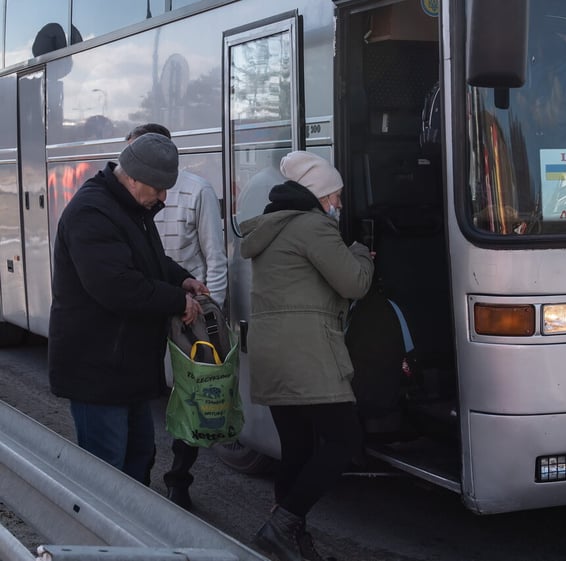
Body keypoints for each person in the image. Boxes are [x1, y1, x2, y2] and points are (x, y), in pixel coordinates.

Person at [48, 133, 207, 485]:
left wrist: (182, 279)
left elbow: (147, 261)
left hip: (125, 367)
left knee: (139, 458)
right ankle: (104, 539)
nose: (163, 197)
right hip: (98, 370)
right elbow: (117, 286)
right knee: (108, 473)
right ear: (132, 177)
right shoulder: (92, 212)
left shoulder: (131, 207)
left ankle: (133, 538)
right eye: (158, 188)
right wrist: (177, 301)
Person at [240, 150, 374, 561]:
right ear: (316, 194)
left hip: (273, 352)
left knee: (297, 449)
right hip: (308, 354)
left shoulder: (272, 226)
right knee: (342, 441)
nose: (337, 205)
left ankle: (290, 543)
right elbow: (353, 284)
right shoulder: (313, 227)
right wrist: (363, 253)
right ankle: (283, 525)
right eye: (333, 196)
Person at [126, 123, 228, 510]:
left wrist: (211, 315)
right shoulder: (127, 197)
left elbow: (215, 258)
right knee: (147, 394)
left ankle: (178, 479)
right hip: (145, 307)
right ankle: (143, 472)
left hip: (188, 315)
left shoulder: (196, 190)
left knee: (190, 396)